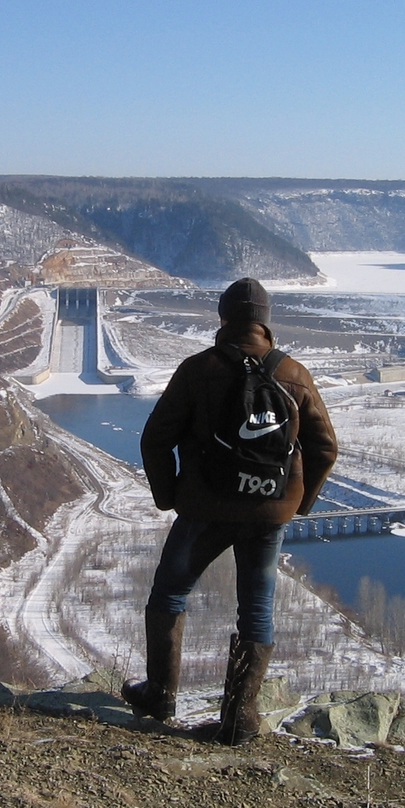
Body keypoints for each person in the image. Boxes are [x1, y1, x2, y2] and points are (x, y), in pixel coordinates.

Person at [124, 277, 338, 744]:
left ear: (223, 318)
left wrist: (169, 496)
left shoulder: (198, 369)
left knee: (170, 592)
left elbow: (155, 438)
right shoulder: (295, 374)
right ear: (265, 321)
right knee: (256, 610)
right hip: (268, 512)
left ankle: (159, 694)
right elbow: (325, 448)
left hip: (205, 507)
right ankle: (239, 719)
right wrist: (297, 504)